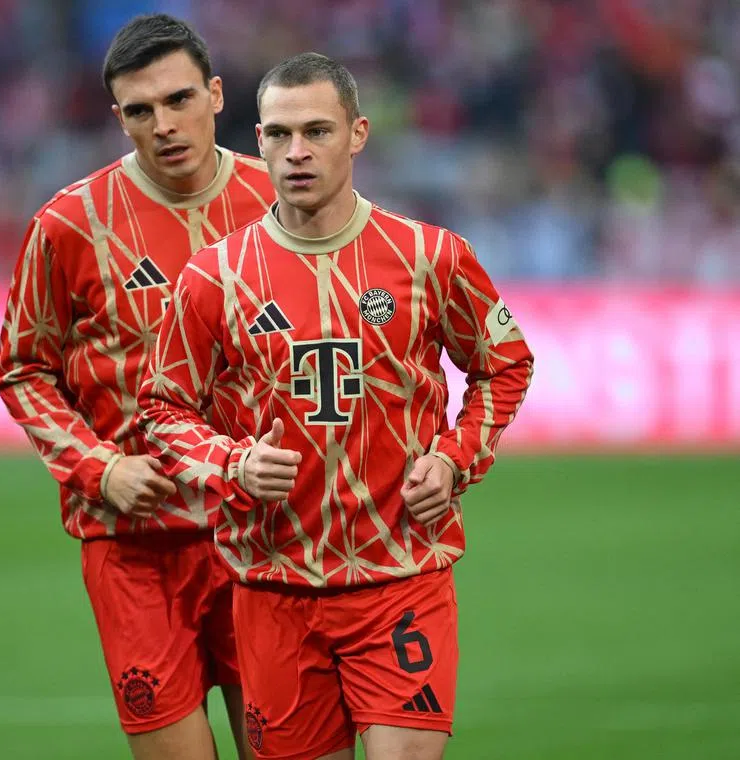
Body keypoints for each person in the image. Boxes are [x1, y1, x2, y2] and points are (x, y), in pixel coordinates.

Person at [138, 53, 535, 760]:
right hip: (273, 588)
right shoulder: (214, 277)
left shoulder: (431, 256)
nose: (297, 151)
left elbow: (504, 364)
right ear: (258, 141)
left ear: (357, 134)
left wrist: (455, 459)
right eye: (280, 134)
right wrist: (232, 464)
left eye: (317, 131)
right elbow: (162, 408)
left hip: (401, 577)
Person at [0, 13, 275, 760]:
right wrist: (100, 468)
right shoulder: (68, 225)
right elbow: (22, 369)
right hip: (133, 547)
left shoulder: (281, 201)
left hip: (260, 536)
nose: (165, 125)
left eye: (180, 99)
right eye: (141, 110)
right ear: (119, 119)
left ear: (217, 95)